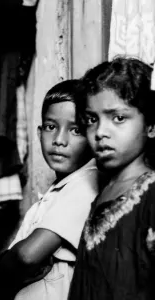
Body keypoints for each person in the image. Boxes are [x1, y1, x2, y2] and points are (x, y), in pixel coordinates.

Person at [0, 79, 99, 300]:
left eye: (75, 130)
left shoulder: (87, 183)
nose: (59, 140)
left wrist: (1, 264)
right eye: (51, 127)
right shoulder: (60, 189)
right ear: (39, 133)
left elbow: (26, 257)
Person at [68, 57, 155, 300]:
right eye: (91, 120)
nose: (101, 132)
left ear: (151, 125)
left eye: (118, 118)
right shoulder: (105, 191)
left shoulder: (151, 193)